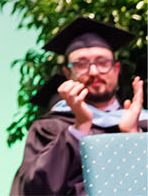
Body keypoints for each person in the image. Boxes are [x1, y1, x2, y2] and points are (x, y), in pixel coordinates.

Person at [12, 17, 145, 195]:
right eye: (81, 64)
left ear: (116, 69)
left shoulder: (142, 124)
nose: (94, 72)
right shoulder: (48, 129)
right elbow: (32, 190)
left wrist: (133, 137)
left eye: (102, 62)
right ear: (67, 73)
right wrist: (80, 127)